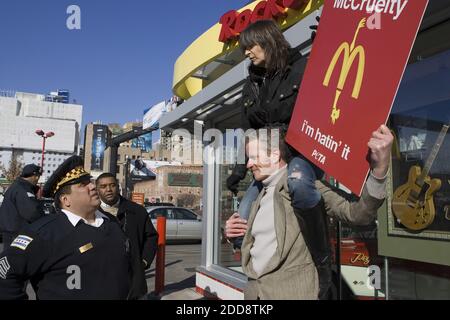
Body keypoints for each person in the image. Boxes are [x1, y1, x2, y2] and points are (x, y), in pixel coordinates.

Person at [225, 126, 394, 300]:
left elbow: (358, 213)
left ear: (275, 155)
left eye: (254, 157)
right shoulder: (259, 196)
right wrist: (233, 234)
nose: (248, 164)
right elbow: (261, 249)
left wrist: (379, 169)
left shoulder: (304, 186)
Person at [225, 19, 329, 295]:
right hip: (268, 161)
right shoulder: (251, 86)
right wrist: (238, 172)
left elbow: (328, 90)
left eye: (250, 46)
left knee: (298, 185)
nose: (246, 53)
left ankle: (321, 262)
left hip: (299, 155)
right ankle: (264, 275)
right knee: (242, 219)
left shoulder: (302, 67)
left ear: (268, 40)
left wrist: (328, 47)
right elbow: (248, 134)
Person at [0, 156, 131, 300]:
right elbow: (5, 273)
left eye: (90, 182)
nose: (93, 186)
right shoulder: (44, 233)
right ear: (65, 200)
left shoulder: (112, 223)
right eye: (83, 184)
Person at [96, 172, 158, 300]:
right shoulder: (91, 212)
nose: (108, 189)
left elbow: (151, 237)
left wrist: (144, 261)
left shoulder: (137, 211)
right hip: (102, 282)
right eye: (103, 186)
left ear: (118, 187)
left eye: (112, 185)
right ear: (97, 190)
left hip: (134, 283)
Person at [0, 164, 44, 247]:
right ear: (34, 176)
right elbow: (32, 214)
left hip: (9, 231)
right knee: (17, 258)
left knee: (9, 257)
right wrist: (45, 218)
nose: (37, 179)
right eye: (37, 176)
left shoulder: (14, 186)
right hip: (17, 234)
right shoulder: (23, 190)